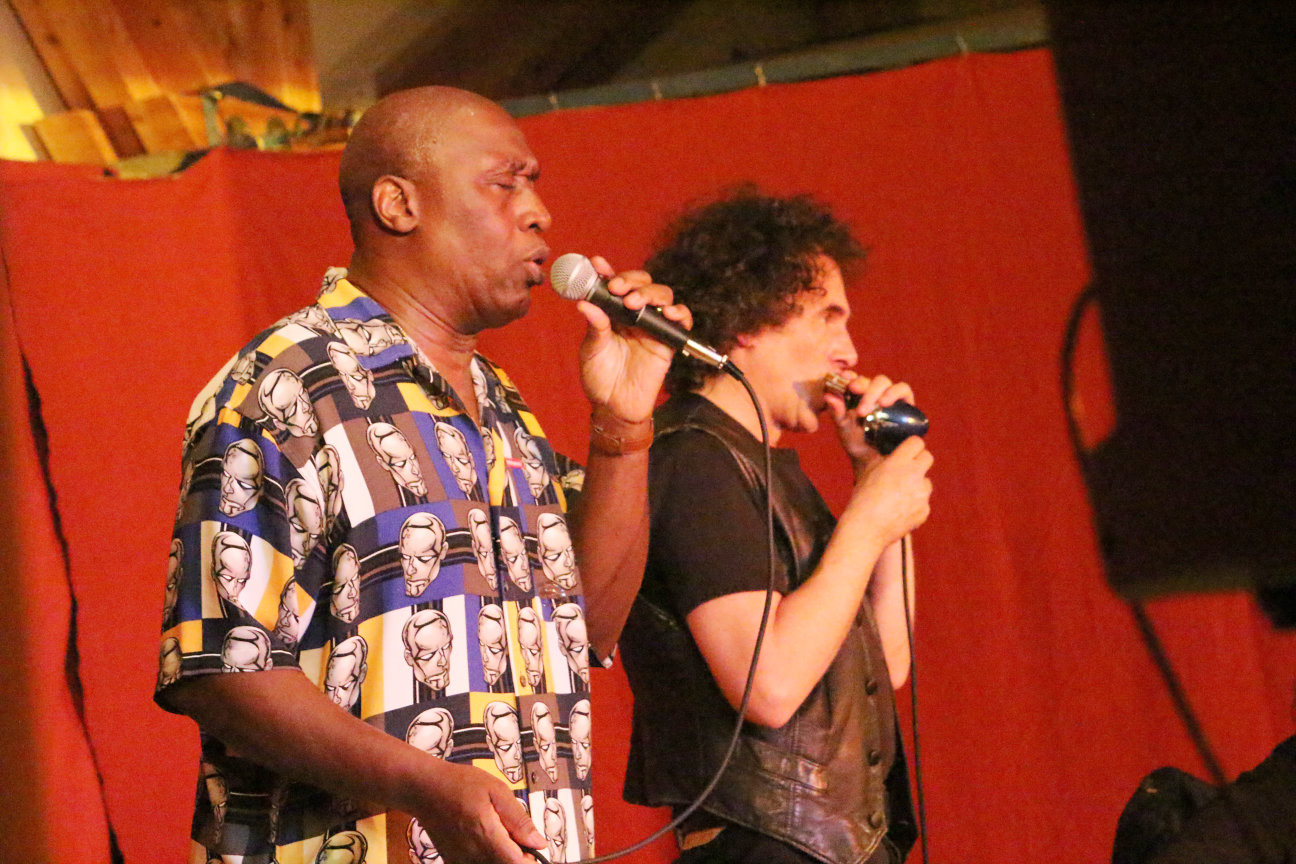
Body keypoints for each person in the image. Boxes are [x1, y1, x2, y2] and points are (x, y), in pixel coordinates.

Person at [154, 86, 687, 864]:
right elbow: (221, 669)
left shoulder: (504, 409)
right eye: (505, 183)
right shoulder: (287, 385)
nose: (539, 213)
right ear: (399, 205)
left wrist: (623, 429)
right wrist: (426, 786)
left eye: (534, 186)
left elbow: (594, 624)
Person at [618, 189, 933, 864]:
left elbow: (888, 664)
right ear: (748, 323)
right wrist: (868, 520)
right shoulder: (694, 458)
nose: (849, 350)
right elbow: (769, 685)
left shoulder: (769, 467)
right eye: (827, 318)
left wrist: (876, 483)